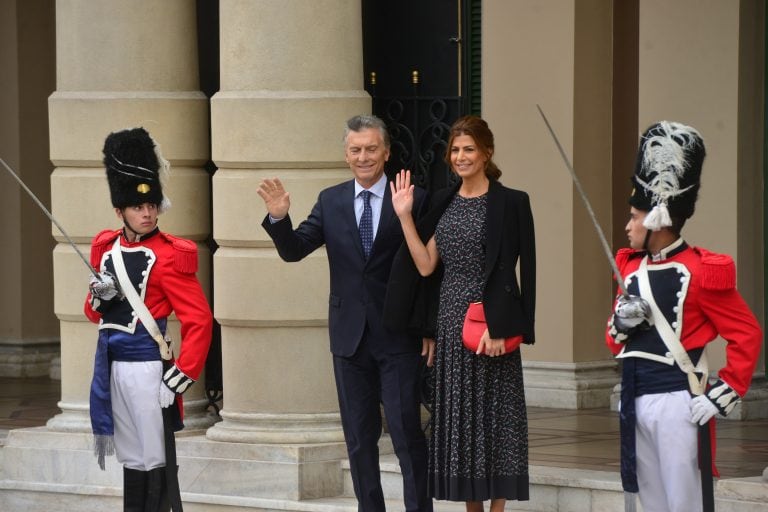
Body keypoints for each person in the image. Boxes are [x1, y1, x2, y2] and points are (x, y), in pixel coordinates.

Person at [257, 115, 432, 512]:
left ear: (386, 152)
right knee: (358, 437)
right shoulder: (331, 200)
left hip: (399, 337)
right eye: (356, 150)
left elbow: (429, 271)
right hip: (349, 339)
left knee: (407, 434)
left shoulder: (412, 197)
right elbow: (294, 249)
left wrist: (429, 328)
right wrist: (280, 217)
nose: (364, 156)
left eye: (372, 148)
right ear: (345, 155)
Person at [606, 121, 763, 512]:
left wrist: (722, 394)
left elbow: (747, 333)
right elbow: (613, 341)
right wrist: (621, 324)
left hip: (678, 399)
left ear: (656, 218)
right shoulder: (630, 269)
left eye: (634, 216)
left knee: (684, 501)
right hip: (634, 395)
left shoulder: (701, 269)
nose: (627, 226)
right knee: (651, 500)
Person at [388, 115, 535, 512]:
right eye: (455, 150)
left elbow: (523, 272)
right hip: (453, 325)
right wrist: (404, 215)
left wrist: (508, 326)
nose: (460, 156)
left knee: (496, 419)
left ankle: (498, 509)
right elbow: (424, 265)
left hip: (493, 324)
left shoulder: (512, 202)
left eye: (468, 149)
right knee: (463, 424)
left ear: (486, 152)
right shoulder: (443, 201)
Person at [86, 127, 213, 512]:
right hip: (111, 367)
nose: (147, 213)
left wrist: (178, 377)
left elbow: (200, 320)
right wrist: (99, 295)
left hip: (147, 368)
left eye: (152, 205)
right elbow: (93, 315)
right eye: (138, 207)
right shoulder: (104, 248)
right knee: (132, 458)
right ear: (119, 210)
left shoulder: (171, 254)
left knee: (155, 459)